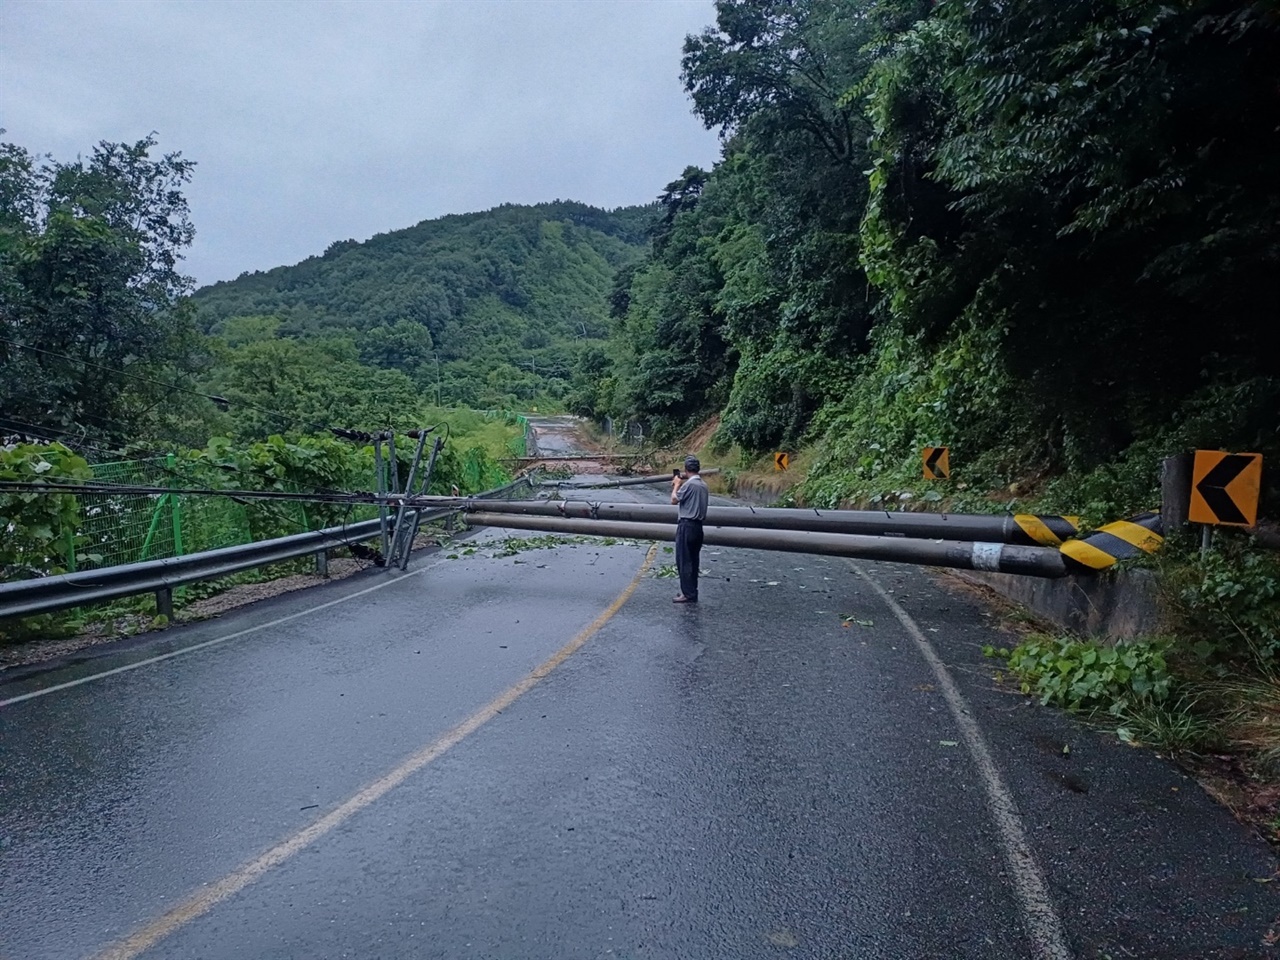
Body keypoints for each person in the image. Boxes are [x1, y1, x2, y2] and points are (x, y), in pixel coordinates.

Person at [671, 455, 709, 603]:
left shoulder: (688, 485)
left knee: (684, 560)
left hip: (686, 525)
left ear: (686, 470)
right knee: (694, 560)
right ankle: (692, 591)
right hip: (698, 527)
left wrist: (676, 485)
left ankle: (687, 593)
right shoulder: (703, 485)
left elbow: (674, 500)